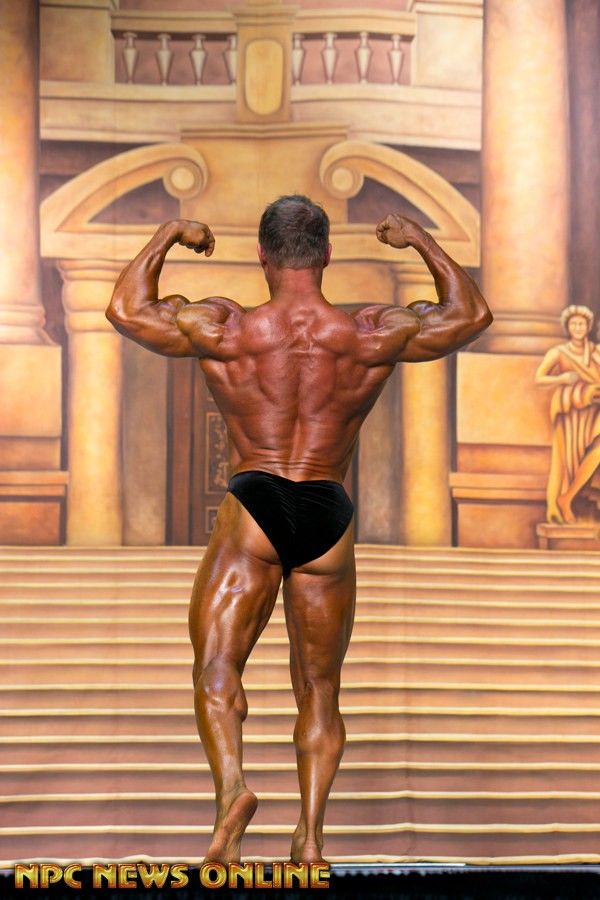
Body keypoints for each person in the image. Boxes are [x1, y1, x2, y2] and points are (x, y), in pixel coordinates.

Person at [106, 195, 492, 865]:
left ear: (262, 255)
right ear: (327, 255)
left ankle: (233, 792)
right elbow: (470, 315)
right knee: (320, 689)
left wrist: (169, 233)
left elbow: (126, 310)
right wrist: (419, 240)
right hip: (327, 511)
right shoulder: (368, 332)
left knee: (218, 665)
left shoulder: (227, 326)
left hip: (256, 502)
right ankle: (310, 837)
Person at [535, 305, 600, 524]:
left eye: (582, 324)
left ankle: (568, 497)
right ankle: (565, 500)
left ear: (588, 327)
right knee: (570, 459)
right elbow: (539, 378)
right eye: (574, 324)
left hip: (594, 409)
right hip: (571, 410)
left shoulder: (596, 351)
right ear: (568, 328)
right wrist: (562, 379)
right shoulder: (558, 352)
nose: (578, 328)